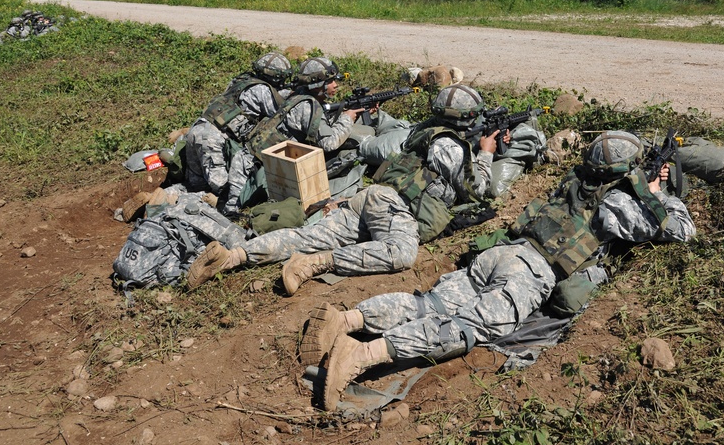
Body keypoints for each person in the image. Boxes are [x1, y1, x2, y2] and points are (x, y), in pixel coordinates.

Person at [305, 130, 696, 412]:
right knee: (468, 327)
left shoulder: (575, 180)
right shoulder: (618, 203)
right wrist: (657, 194)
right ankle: (362, 354)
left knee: (429, 303)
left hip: (500, 254)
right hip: (530, 274)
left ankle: (348, 318)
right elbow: (681, 232)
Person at [185, 84, 505, 293]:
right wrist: (487, 154)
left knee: (305, 236)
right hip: (397, 209)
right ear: (467, 118)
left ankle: (231, 257)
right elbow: (476, 191)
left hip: (368, 199)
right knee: (402, 254)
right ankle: (317, 263)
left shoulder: (423, 132)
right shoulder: (449, 146)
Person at [222, 56, 369, 214]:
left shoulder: (295, 94)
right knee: (236, 215)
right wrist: (347, 118)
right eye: (330, 81)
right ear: (317, 85)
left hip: (251, 161)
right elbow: (329, 143)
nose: (336, 85)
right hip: (257, 172)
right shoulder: (307, 106)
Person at [184, 51, 294, 201]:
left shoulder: (240, 80)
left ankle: (170, 197)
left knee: (195, 185)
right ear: (276, 77)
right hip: (212, 140)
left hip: (197, 129)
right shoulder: (262, 90)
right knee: (224, 193)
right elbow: (280, 112)